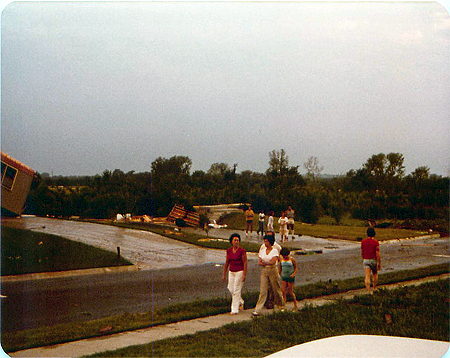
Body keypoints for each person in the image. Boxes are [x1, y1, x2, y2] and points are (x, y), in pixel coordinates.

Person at [252, 234, 285, 316]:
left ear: (270, 242)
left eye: (266, 241)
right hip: (264, 270)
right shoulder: (262, 250)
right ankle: (258, 309)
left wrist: (264, 262)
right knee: (263, 290)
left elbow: (273, 261)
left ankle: (281, 306)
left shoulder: (275, 251)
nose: (265, 243)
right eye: (264, 241)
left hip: (273, 270)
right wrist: (264, 263)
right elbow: (259, 261)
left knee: (276, 288)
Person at [222, 233, 247, 314]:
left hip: (239, 271)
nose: (236, 242)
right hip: (231, 271)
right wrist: (224, 274)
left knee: (236, 289)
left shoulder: (242, 251)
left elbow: (245, 262)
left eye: (237, 240)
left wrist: (244, 274)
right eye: (235, 240)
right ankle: (240, 301)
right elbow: (227, 263)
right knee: (230, 288)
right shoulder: (228, 251)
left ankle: (234, 309)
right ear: (231, 241)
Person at [361, 227, 381, 293]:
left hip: (366, 259)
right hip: (373, 260)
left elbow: (362, 252)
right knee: (375, 274)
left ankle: (368, 290)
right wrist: (379, 262)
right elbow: (377, 253)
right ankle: (374, 288)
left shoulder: (363, 242)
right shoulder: (376, 242)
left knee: (367, 275)